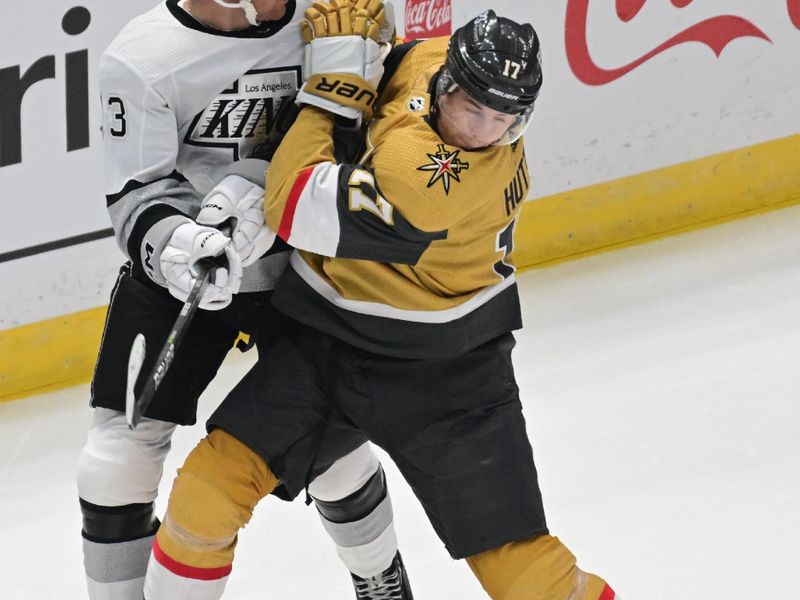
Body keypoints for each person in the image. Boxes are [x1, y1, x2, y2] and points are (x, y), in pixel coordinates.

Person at [142, 7, 618, 600]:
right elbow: (377, 57)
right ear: (448, 80)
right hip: (326, 340)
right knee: (207, 493)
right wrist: (361, 43)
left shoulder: (436, 183)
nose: (483, 132)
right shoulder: (428, 57)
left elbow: (291, 204)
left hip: (446, 374)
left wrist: (332, 87)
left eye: (503, 119)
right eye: (474, 109)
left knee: (524, 574)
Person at [76, 1, 412, 599]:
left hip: (302, 266)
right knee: (115, 462)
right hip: (194, 269)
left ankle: (381, 580)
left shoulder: (336, 13)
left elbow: (375, 131)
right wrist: (179, 244)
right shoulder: (142, 58)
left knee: (333, 453)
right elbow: (135, 193)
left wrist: (264, 184)